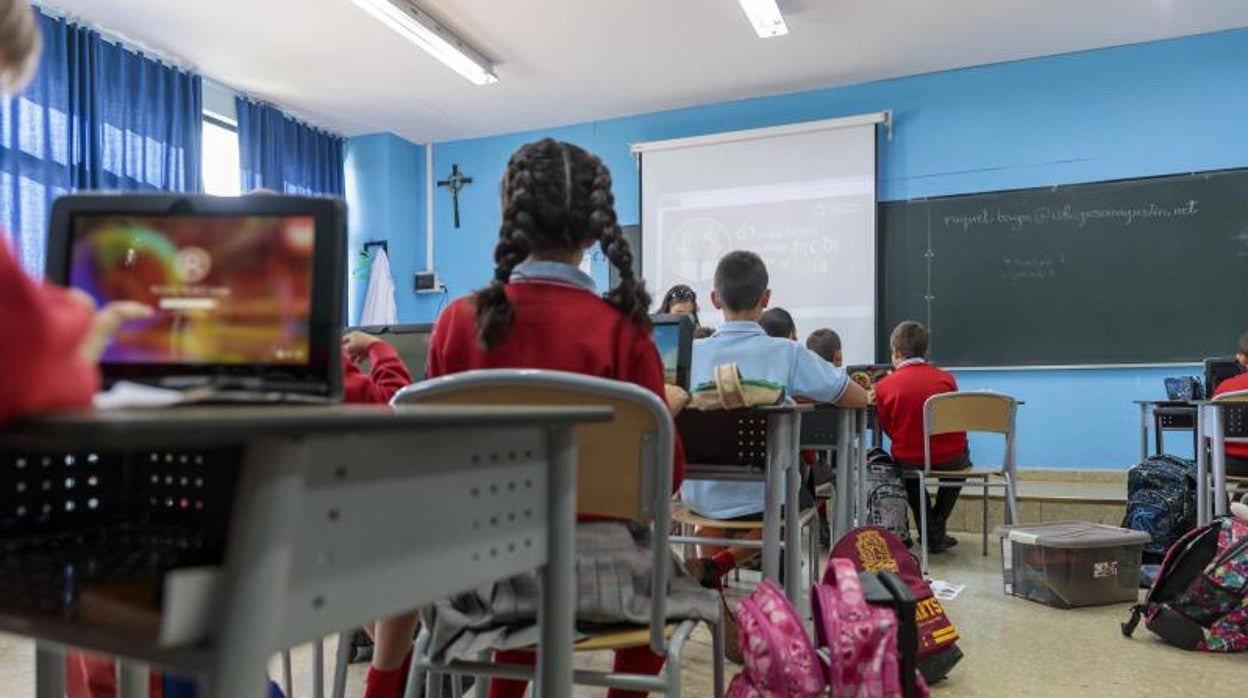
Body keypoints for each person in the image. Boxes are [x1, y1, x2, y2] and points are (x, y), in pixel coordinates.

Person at [362, 138, 714, 698]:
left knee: (522, 546)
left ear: (511, 217)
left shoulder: (457, 322)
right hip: (607, 583)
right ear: (592, 227)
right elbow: (664, 483)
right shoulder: (624, 333)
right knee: (666, 590)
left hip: (478, 579)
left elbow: (428, 463)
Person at [679, 251, 868, 587]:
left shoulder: (689, 354)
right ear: (766, 298)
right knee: (783, 494)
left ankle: (713, 593)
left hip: (699, 495)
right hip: (766, 498)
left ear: (714, 298)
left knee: (715, 507)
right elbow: (854, 396)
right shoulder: (787, 352)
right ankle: (723, 569)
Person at [873, 321, 968, 553]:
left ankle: (929, 532)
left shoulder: (884, 386)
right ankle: (936, 528)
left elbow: (888, 427)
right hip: (951, 457)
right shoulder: (946, 379)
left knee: (910, 474)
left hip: (910, 456)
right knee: (962, 464)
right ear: (926, 352)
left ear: (895, 352)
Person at [1213, 329, 1248, 477]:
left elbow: (1210, 436)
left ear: (1241, 357)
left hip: (1229, 463)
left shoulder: (1224, 389)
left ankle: (1224, 500)